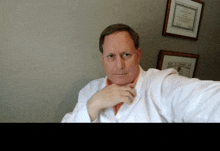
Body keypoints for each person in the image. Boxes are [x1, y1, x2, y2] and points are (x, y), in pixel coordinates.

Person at [62, 23, 220, 123]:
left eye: (126, 55)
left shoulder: (161, 85)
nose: (119, 65)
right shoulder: (90, 90)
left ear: (138, 55)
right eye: (111, 56)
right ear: (102, 59)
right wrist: (93, 105)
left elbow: (205, 100)